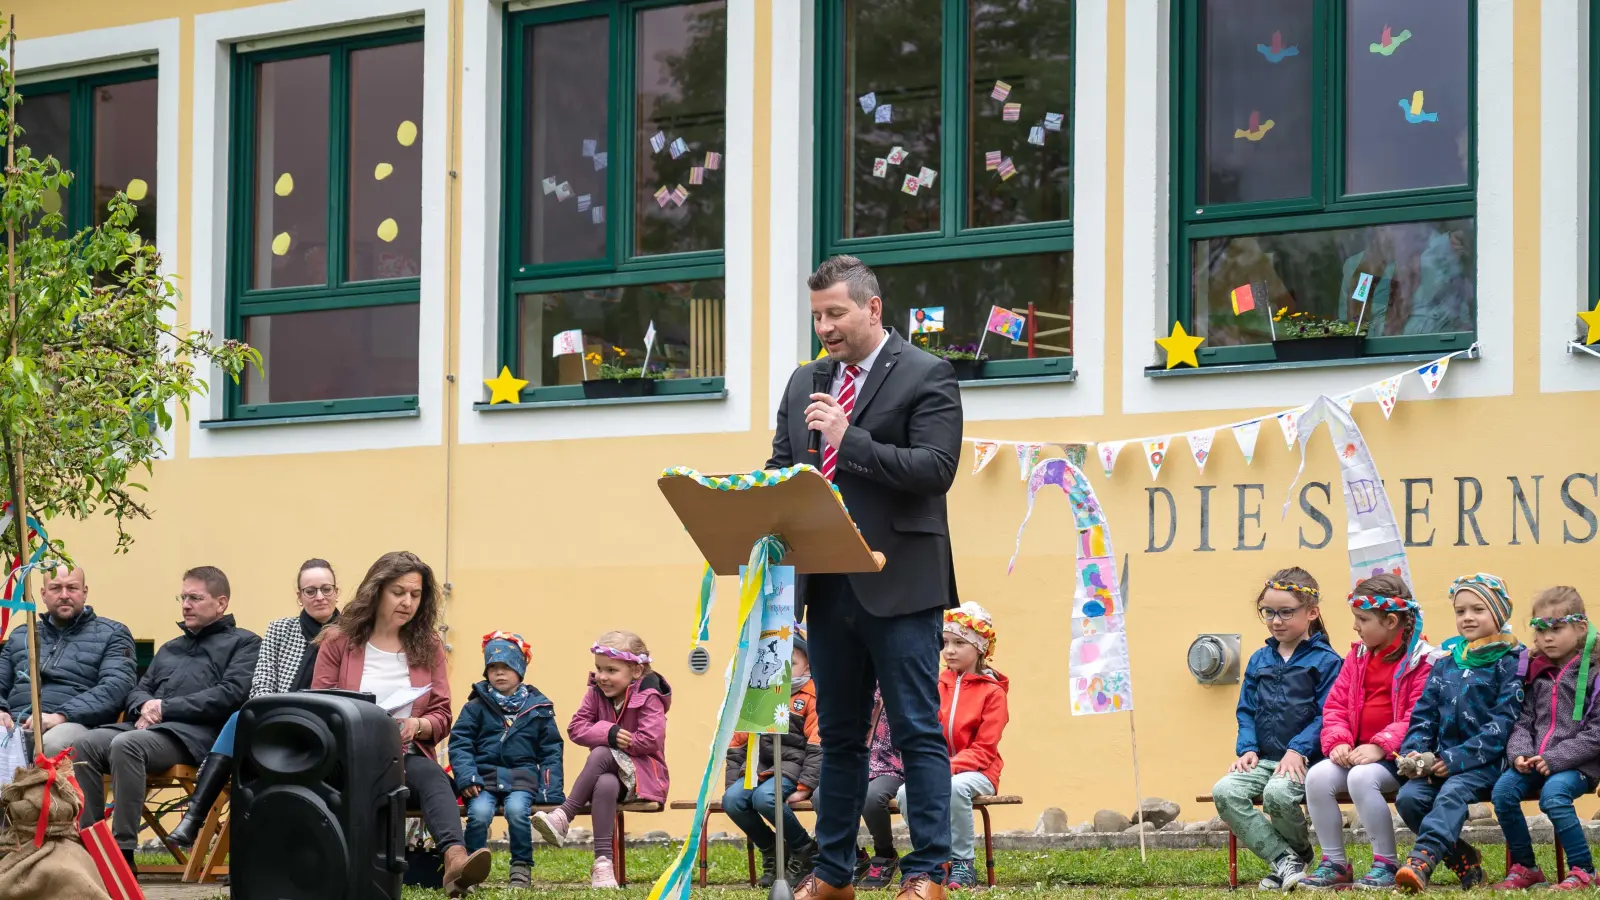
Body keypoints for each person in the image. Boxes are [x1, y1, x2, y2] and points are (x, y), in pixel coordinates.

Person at [767, 255, 963, 900]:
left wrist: (848, 438)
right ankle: (832, 874)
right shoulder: (803, 384)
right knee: (843, 738)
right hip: (826, 586)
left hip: (902, 583)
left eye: (836, 313)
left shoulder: (926, 373)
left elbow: (935, 469)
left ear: (872, 308)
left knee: (915, 730)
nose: (824, 327)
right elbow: (781, 469)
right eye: (817, 315)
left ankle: (929, 873)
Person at [311, 551, 491, 898]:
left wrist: (417, 725)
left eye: (416, 594)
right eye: (398, 592)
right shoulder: (338, 641)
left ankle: (455, 860)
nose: (408, 602)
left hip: (402, 755)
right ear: (376, 591)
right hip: (347, 759)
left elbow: (441, 713)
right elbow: (320, 707)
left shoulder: (428, 645)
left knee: (433, 776)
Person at [73, 566, 259, 872]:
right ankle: (90, 847)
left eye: (195, 598)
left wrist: (165, 707)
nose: (185, 604)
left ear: (221, 602)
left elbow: (231, 694)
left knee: (126, 744)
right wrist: (145, 705)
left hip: (195, 738)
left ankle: (122, 853)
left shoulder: (245, 643)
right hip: (148, 731)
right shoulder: (171, 648)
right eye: (183, 597)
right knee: (84, 745)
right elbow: (137, 690)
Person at [168, 558, 343, 848]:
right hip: (278, 720)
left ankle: (205, 822)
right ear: (299, 597)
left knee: (248, 743)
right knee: (241, 719)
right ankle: (199, 821)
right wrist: (281, 716)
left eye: (326, 589)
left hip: (328, 726)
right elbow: (260, 686)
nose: (319, 597)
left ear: (337, 592)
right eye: (310, 591)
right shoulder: (280, 630)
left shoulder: (353, 633)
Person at [1298, 575, 1440, 890]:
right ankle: (1334, 863)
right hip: (1359, 753)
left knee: (1362, 778)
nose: (1355, 626)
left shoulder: (1423, 660)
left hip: (1402, 757)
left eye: (1362, 619)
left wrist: (1380, 746)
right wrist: (1338, 741)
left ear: (1391, 621)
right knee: (1318, 777)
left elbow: (1419, 715)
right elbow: (1334, 706)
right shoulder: (1358, 656)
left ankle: (1385, 863)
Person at [1211, 568, 1341, 892]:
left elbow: (1329, 714)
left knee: (1278, 794)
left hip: (1306, 759)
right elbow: (1246, 710)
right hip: (1264, 759)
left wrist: (1298, 749)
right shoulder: (1259, 659)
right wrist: (1248, 749)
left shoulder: (1326, 661)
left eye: (1286, 612)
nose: (1276, 620)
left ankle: (1295, 857)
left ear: (1312, 613)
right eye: (1268, 612)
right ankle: (1286, 859)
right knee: (1224, 791)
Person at [1394, 573, 1527, 893]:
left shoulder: (1512, 661)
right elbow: (1424, 715)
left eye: (1478, 609)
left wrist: (1453, 759)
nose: (1467, 617)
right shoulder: (1446, 661)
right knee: (1409, 799)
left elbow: (1502, 725)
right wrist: (1416, 753)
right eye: (1460, 611)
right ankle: (1464, 859)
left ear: (1498, 612)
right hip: (1439, 761)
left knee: (1453, 790)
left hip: (1486, 763)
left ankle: (1420, 862)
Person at [532, 630, 672, 889]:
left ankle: (564, 814)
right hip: (611, 776)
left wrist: (610, 740)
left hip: (644, 776)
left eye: (611, 670)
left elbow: (650, 740)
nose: (602, 677)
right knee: (605, 783)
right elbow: (576, 728)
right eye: (598, 669)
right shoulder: (596, 692)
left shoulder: (650, 696)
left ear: (636, 671)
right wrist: (608, 733)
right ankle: (603, 866)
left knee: (600, 752)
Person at [1491, 586, 1600, 890]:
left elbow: (1597, 733)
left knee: (1554, 795)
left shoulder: (1594, 672)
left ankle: (1583, 869)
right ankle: (1525, 867)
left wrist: (1555, 758)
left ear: (1580, 629)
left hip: (1577, 766)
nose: (1547, 637)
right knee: (1503, 791)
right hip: (1534, 761)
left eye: (1556, 628)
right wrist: (1520, 754)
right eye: (1540, 629)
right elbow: (1522, 721)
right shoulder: (1534, 672)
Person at [896, 602, 1009, 890]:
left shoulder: (993, 692)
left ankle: (962, 862)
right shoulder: (934, 684)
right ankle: (933, 858)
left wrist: (945, 768)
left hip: (980, 772)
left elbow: (985, 749)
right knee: (906, 793)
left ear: (981, 647)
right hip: (939, 765)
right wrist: (931, 766)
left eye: (959, 642)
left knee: (956, 788)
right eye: (945, 643)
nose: (949, 650)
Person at [449, 631, 565, 890]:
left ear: (520, 670)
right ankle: (470, 869)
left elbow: (551, 750)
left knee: (516, 812)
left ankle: (521, 868)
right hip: (483, 779)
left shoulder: (539, 709)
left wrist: (550, 790)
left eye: (507, 667)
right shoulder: (475, 707)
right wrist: (467, 777)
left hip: (522, 779)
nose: (499, 673)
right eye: (493, 668)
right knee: (478, 814)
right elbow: (460, 743)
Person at [0, 565, 135, 756]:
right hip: (15, 721)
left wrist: (61, 716)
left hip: (75, 725)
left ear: (84, 592)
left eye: (72, 588)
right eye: (56, 588)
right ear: (43, 594)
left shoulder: (113, 633)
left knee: (52, 744)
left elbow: (116, 687)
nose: (64, 595)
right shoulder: (22, 634)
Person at [722, 626, 821, 887]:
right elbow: (736, 745)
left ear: (807, 665)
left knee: (766, 798)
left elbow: (817, 745)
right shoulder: (759, 695)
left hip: (794, 768)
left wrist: (804, 787)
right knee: (733, 800)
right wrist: (733, 782)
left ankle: (804, 848)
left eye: (793, 663)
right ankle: (773, 849)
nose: (783, 670)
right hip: (761, 766)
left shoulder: (811, 696)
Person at [856, 685, 904, 888]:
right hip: (855, 765)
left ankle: (885, 855)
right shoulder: (857, 688)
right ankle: (852, 856)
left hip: (892, 767)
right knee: (821, 797)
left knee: (872, 798)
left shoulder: (903, 688)